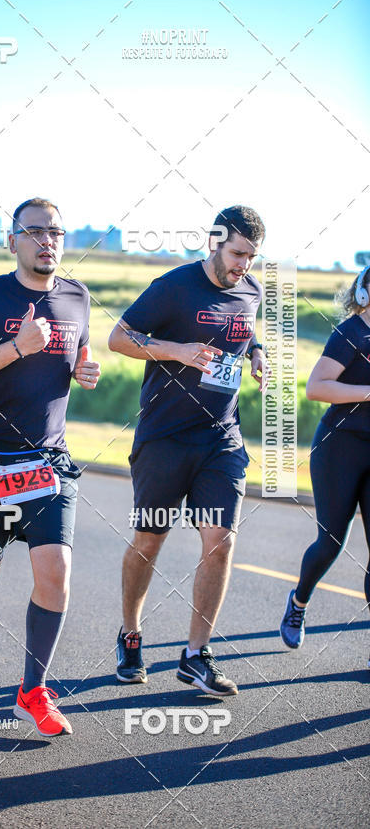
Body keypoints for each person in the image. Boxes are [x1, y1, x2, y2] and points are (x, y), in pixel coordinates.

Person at [0, 197, 100, 736]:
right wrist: (15, 347)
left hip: (46, 462)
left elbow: (79, 352)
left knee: (55, 569)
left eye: (55, 231)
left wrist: (84, 370)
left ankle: (34, 690)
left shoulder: (78, 297)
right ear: (13, 241)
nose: (46, 240)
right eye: (34, 231)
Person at [109, 205, 267, 696]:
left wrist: (257, 355)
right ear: (214, 243)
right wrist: (175, 350)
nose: (244, 264)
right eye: (238, 253)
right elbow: (119, 338)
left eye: (252, 257)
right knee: (150, 539)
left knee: (221, 540)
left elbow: (243, 330)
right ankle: (130, 633)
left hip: (221, 438)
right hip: (165, 438)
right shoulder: (173, 287)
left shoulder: (252, 291)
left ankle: (196, 654)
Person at [280, 266, 370, 661]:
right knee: (331, 541)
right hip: (340, 447)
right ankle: (299, 602)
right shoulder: (351, 333)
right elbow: (317, 387)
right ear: (365, 293)